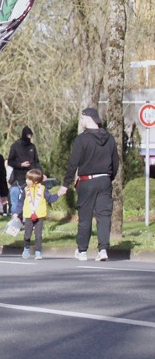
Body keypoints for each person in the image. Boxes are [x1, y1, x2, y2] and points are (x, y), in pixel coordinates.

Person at [59, 107, 119, 262]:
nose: (81, 121)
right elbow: (115, 162)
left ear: (89, 118)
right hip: (105, 180)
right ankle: (103, 249)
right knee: (104, 216)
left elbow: (73, 163)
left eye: (82, 118)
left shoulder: (82, 139)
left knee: (85, 216)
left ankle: (82, 251)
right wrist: (108, 178)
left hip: (87, 181)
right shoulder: (110, 138)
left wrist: (66, 183)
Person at [13, 168, 60, 260]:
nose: (26, 180)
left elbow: (50, 198)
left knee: (38, 235)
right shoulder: (25, 190)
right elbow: (20, 203)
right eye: (27, 178)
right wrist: (16, 213)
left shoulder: (42, 189)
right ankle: (26, 247)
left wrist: (58, 194)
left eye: (29, 179)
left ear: (35, 181)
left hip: (39, 215)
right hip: (28, 215)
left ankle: (38, 252)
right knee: (27, 235)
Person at [7, 125, 41, 216]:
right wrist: (20, 164)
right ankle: (15, 221)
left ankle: (27, 221)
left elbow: (36, 162)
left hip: (30, 178)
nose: (29, 138)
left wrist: (41, 173)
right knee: (15, 202)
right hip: (17, 178)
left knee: (29, 201)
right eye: (28, 136)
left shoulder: (32, 147)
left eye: (30, 136)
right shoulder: (15, 146)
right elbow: (10, 161)